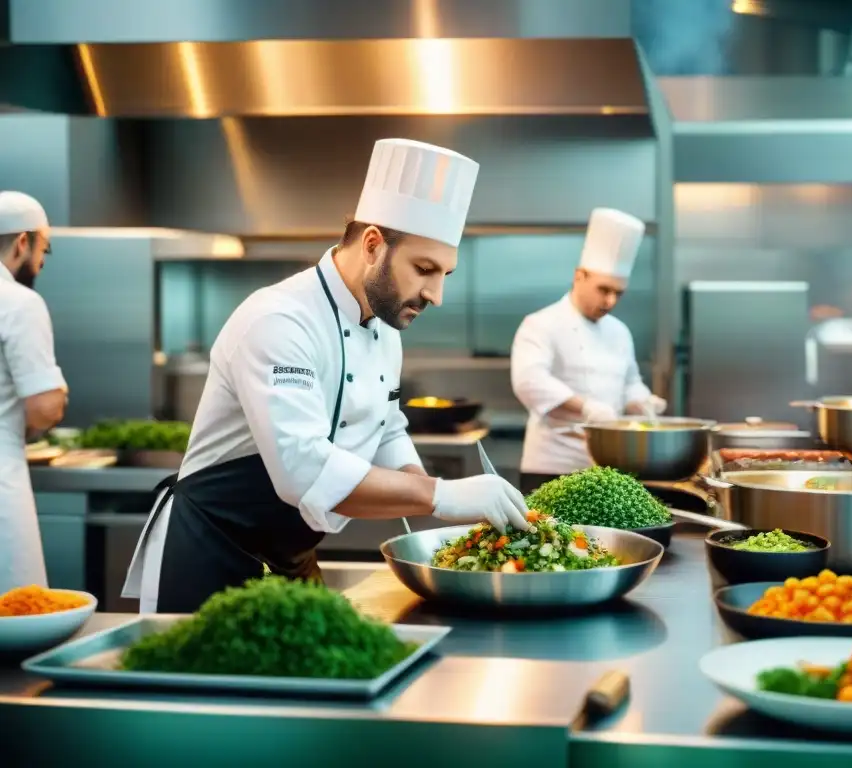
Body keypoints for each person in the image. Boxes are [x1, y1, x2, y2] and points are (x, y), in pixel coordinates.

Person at [122, 139, 530, 613]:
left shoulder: (384, 327)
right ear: (373, 245)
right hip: (213, 554)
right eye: (424, 269)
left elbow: (386, 427)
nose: (435, 294)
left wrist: (428, 491)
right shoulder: (279, 319)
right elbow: (303, 470)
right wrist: (438, 495)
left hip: (290, 557)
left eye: (445, 274)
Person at [510, 207, 666, 494]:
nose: (610, 301)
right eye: (603, 289)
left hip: (607, 467)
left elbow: (629, 381)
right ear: (579, 276)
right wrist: (586, 407)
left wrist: (643, 402)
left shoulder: (619, 331)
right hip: (552, 465)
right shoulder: (542, 323)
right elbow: (529, 381)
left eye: (618, 293)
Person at [0, 191, 66, 592]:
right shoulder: (19, 304)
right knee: (13, 613)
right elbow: (44, 409)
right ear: (23, 242)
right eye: (45, 250)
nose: (40, 263)